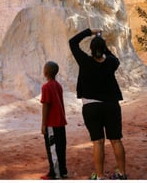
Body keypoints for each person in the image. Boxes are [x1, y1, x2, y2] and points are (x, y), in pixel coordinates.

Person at [69, 28, 127, 181]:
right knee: (116, 140)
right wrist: (102, 44)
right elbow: (111, 56)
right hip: (111, 105)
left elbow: (72, 42)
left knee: (98, 142)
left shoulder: (85, 61)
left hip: (91, 106)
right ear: (103, 49)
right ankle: (121, 173)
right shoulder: (111, 63)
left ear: (91, 50)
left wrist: (90, 32)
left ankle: (99, 176)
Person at [40, 60, 68, 180]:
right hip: (60, 122)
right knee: (61, 147)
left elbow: (46, 105)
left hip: (52, 123)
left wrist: (43, 124)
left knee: (53, 149)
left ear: (45, 72)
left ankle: (55, 173)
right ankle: (63, 171)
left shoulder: (46, 87)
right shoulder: (58, 85)